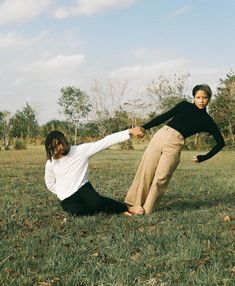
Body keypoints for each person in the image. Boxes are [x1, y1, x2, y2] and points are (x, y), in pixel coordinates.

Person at [125, 84, 225, 214]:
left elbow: (220, 143)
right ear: (193, 97)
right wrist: (144, 127)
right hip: (161, 136)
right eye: (198, 97)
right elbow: (164, 117)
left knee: (162, 177)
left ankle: (147, 209)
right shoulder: (184, 106)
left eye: (204, 97)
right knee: (146, 171)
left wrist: (203, 157)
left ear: (209, 99)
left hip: (176, 143)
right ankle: (134, 204)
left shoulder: (207, 120)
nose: (201, 100)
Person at [44, 127, 145, 217]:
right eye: (54, 147)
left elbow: (106, 141)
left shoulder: (81, 150)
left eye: (59, 143)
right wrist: (61, 191)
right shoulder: (51, 163)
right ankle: (107, 210)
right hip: (67, 198)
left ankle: (125, 209)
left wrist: (130, 132)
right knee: (80, 213)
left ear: (64, 139)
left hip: (83, 188)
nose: (59, 148)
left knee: (97, 203)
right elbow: (50, 183)